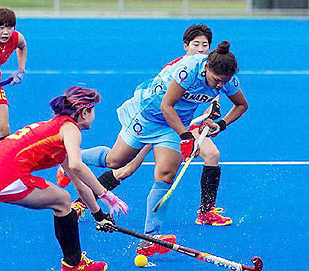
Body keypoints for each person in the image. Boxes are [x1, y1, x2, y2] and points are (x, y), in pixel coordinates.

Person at [79, 40, 248, 257]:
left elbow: (241, 105)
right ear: (207, 68)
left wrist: (221, 124)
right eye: (216, 80)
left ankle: (151, 237)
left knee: (166, 175)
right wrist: (186, 136)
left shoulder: (227, 80)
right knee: (115, 161)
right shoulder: (189, 70)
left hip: (175, 123)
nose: (218, 86)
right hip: (149, 114)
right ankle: (70, 157)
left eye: (222, 83)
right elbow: (166, 106)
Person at [62, 24, 232, 226]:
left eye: (205, 45)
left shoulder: (214, 69)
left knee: (209, 155)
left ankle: (203, 213)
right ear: (186, 46)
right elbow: (168, 102)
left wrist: (212, 117)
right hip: (154, 117)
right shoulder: (182, 68)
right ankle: (73, 170)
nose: (201, 49)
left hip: (180, 124)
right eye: (196, 45)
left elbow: (212, 96)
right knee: (123, 166)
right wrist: (186, 134)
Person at [0, 86, 128, 271]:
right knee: (62, 200)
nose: (94, 116)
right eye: (93, 111)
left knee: (63, 199)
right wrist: (107, 195)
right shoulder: (70, 129)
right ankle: (74, 264)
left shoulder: (56, 129)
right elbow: (77, 165)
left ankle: (74, 264)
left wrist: (99, 215)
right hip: (6, 174)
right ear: (84, 112)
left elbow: (79, 183)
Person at [0, 8, 27, 141]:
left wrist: (21, 69)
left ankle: (2, 162)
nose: (6, 32)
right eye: (1, 27)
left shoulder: (15, 38)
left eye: (9, 27)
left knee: (4, 129)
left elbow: (23, 46)